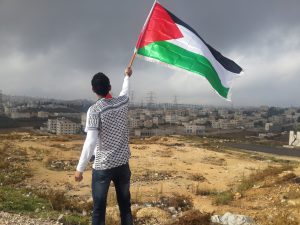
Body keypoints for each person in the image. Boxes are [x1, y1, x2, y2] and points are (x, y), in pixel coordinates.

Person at [75, 67, 133, 225]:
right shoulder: (122, 103)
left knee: (99, 209)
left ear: (93, 89)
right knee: (125, 207)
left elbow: (91, 141)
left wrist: (80, 169)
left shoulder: (94, 111)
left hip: (103, 166)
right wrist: (127, 76)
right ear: (109, 87)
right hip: (122, 164)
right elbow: (125, 92)